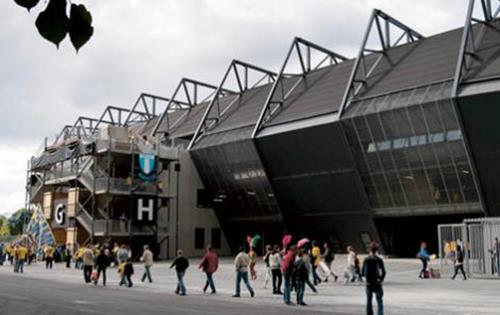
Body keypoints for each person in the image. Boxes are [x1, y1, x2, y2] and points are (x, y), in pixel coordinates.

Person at [362, 242, 386, 315]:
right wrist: (381, 279)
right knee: (379, 300)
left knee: (369, 300)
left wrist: (366, 280)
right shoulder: (379, 260)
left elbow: (362, 272)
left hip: (369, 283)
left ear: (370, 249)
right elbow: (384, 272)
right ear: (377, 250)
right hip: (377, 282)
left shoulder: (366, 259)